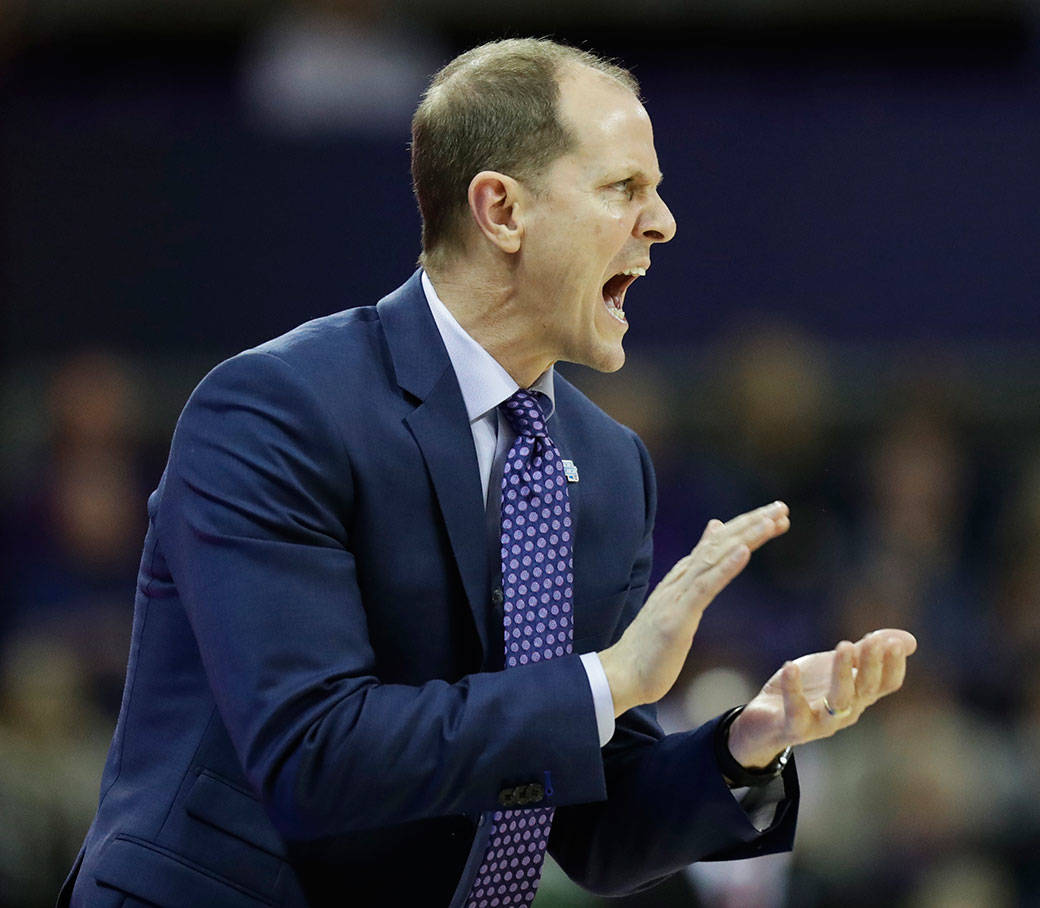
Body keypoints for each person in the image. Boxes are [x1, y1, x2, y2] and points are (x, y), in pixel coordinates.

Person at [61, 38, 916, 907]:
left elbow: (596, 826)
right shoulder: (276, 410)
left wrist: (744, 745)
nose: (663, 222)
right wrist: (615, 677)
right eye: (624, 188)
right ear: (502, 210)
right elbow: (313, 755)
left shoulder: (611, 469)